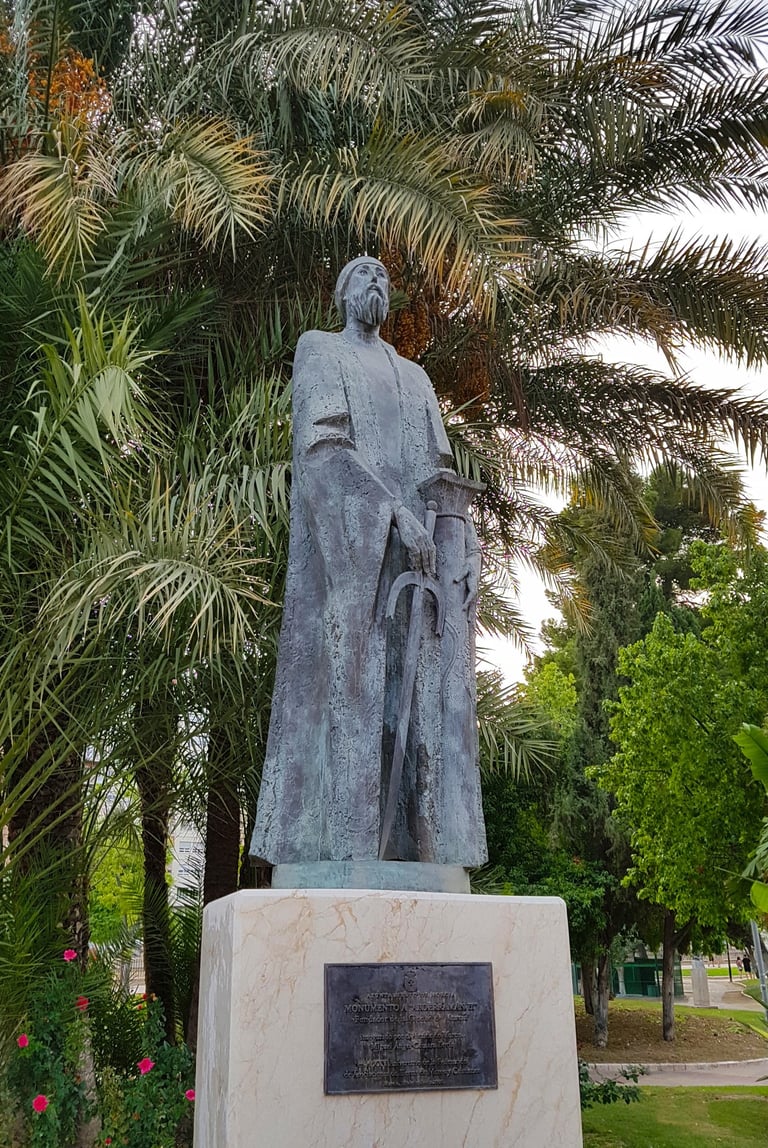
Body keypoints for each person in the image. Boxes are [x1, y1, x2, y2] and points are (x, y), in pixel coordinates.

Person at [249, 257, 487, 872]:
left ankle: (424, 847)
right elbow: (322, 446)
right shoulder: (319, 351)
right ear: (341, 294)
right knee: (349, 684)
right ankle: (346, 850)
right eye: (362, 275)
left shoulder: (415, 377)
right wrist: (392, 517)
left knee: (423, 700)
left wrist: (465, 548)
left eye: (383, 277)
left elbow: (440, 473)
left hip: (423, 567)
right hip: (353, 557)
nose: (376, 282)